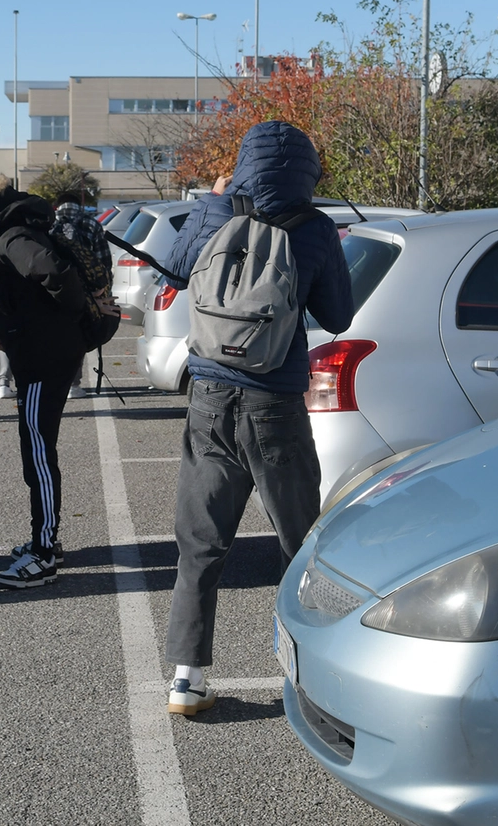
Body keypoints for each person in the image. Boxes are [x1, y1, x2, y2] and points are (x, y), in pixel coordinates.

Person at [159, 121, 352, 715]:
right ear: (307, 171)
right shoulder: (313, 227)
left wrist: (215, 204)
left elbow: (173, 272)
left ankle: (186, 677)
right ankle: (315, 674)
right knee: (299, 541)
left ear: (245, 162)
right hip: (275, 403)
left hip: (210, 397)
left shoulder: (219, 211)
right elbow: (339, 315)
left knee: (202, 540)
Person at [0, 172, 110, 588]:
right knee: (38, 451)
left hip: (44, 360)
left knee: (38, 455)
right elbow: (32, 292)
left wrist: (60, 322)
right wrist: (20, 326)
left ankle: (43, 554)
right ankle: (46, 541)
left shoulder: (11, 238)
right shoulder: (15, 232)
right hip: (44, 355)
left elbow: (53, 274)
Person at [50, 191, 113, 399]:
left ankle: (55, 380)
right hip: (87, 291)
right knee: (78, 336)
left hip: (55, 289)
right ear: (79, 205)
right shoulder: (92, 224)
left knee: (55, 335)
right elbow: (104, 261)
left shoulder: (48, 225)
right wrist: (102, 290)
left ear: (58, 205)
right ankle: (73, 385)